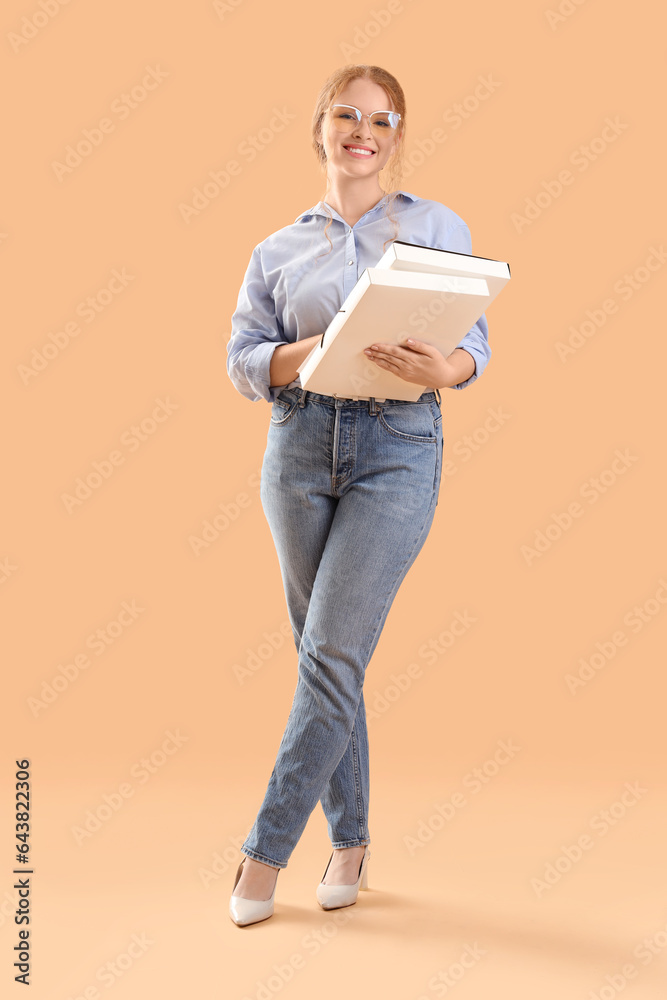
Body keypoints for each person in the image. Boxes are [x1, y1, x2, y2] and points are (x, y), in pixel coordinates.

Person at [225, 64, 491, 926]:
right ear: (321, 128)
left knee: (330, 655)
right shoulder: (277, 249)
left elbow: (472, 347)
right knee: (322, 657)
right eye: (347, 115)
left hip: (397, 447)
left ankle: (262, 855)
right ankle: (352, 839)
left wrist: (440, 366)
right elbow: (243, 363)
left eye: (381, 119)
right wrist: (318, 344)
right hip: (298, 446)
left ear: (396, 134)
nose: (362, 131)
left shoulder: (434, 226)